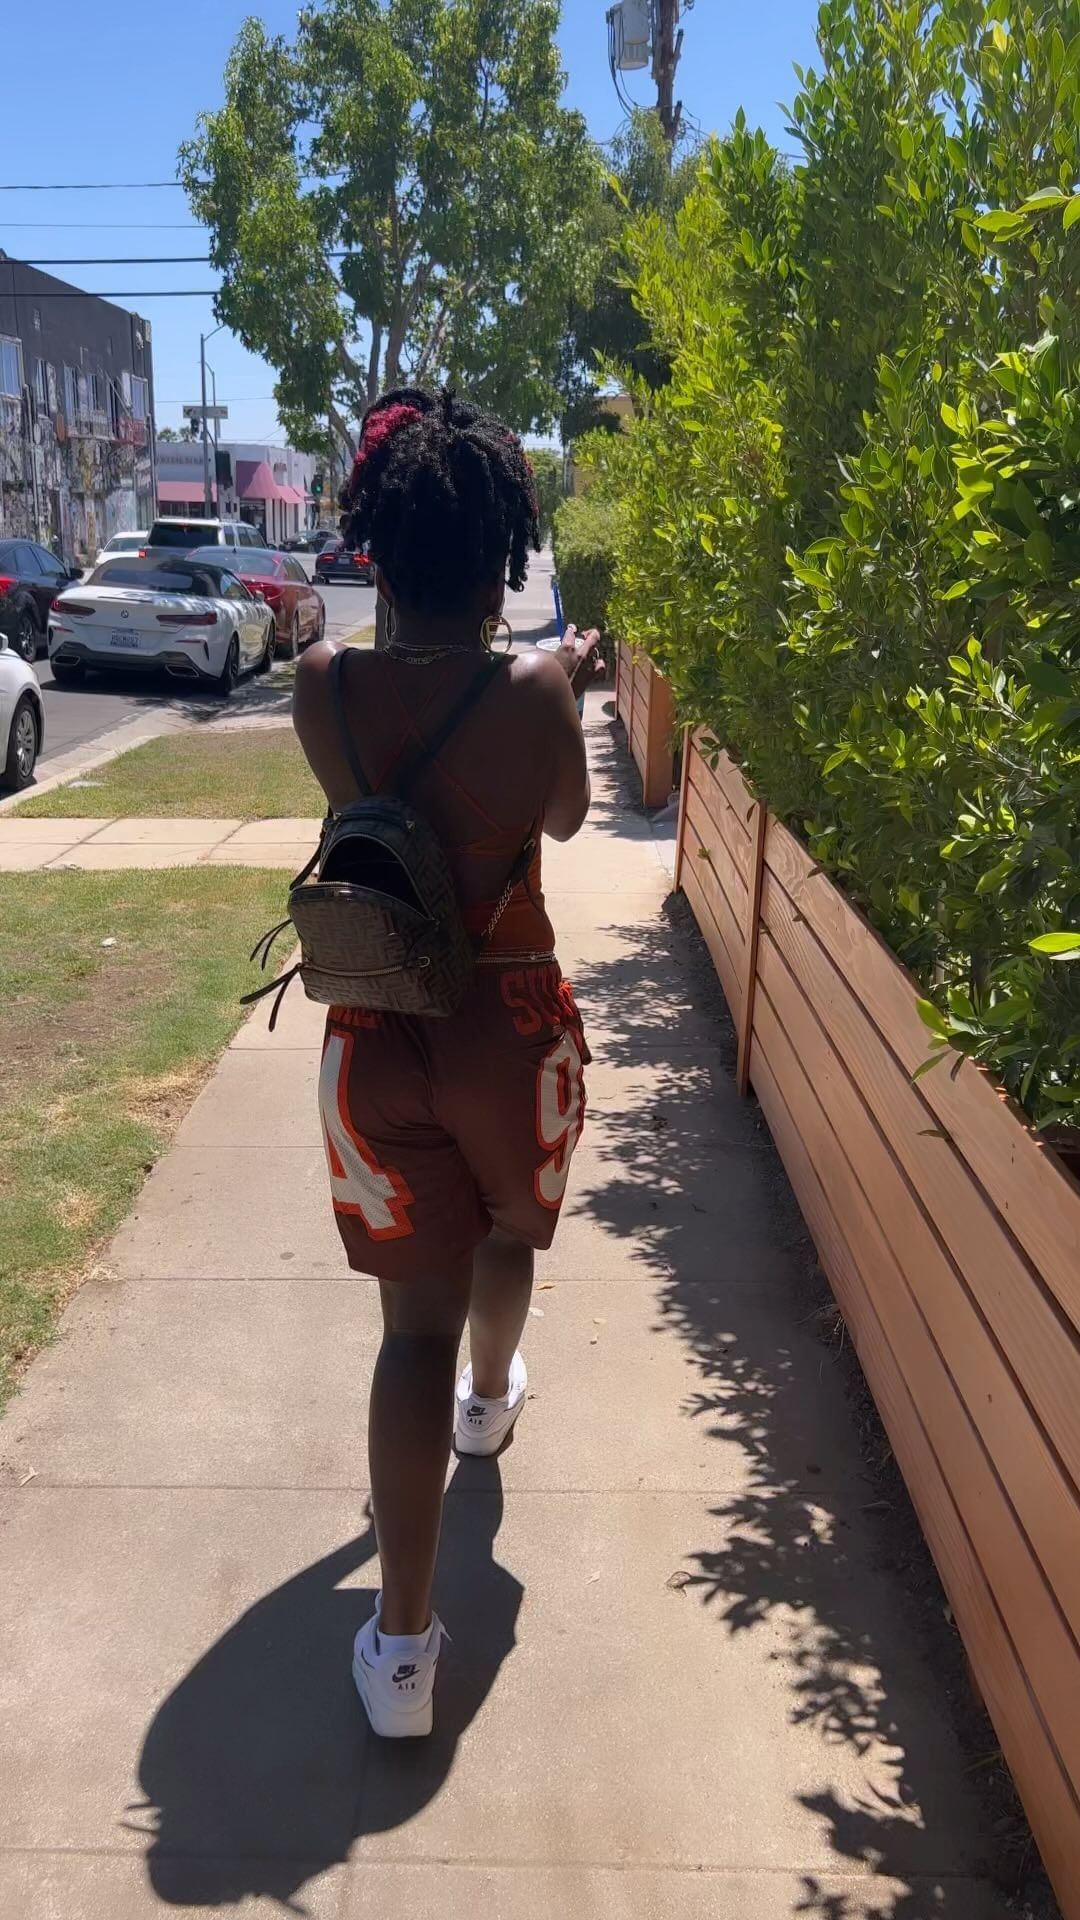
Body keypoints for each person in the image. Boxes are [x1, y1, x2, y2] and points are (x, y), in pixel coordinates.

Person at [293, 386, 596, 1739]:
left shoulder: (321, 687)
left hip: (375, 1033)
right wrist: (560, 683)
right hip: (508, 1028)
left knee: (403, 1333)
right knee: (508, 1236)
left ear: (377, 547)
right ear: (498, 559)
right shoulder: (532, 688)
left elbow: (368, 793)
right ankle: (489, 1403)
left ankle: (403, 1652)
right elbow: (566, 819)